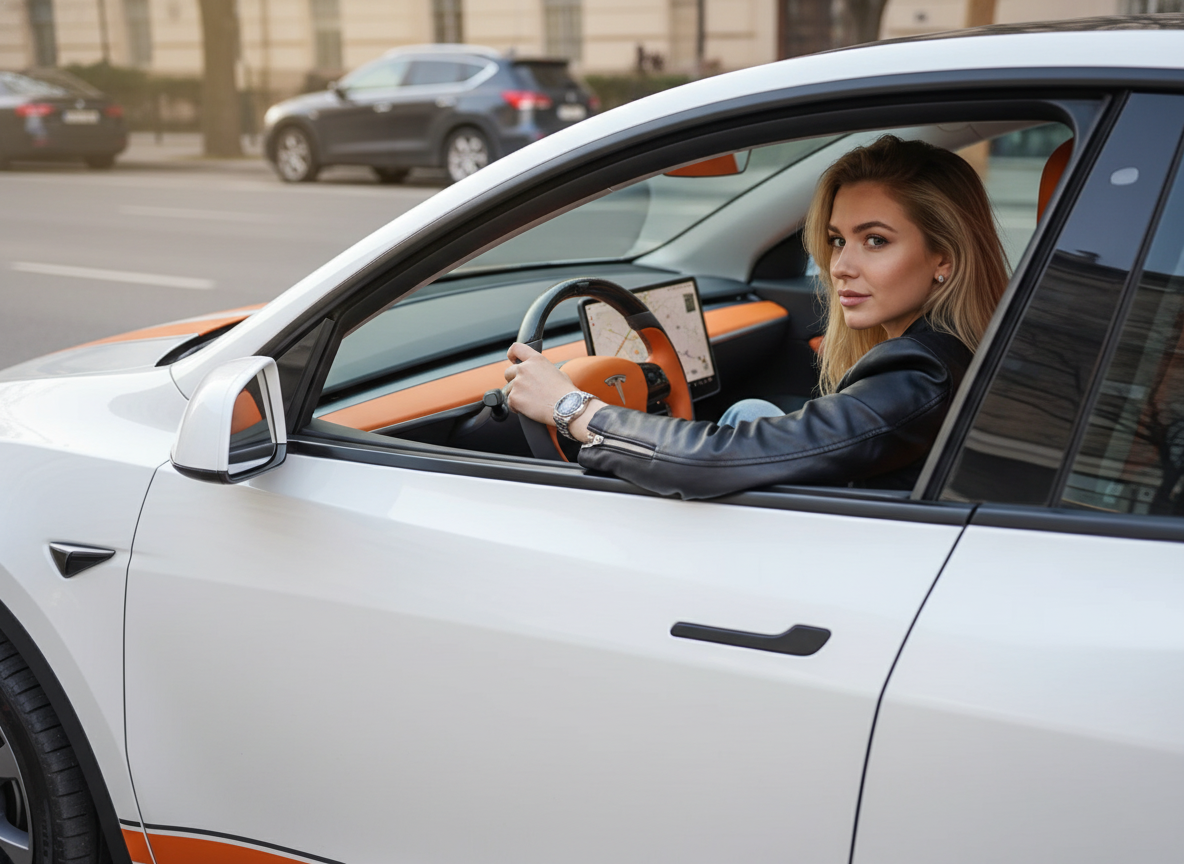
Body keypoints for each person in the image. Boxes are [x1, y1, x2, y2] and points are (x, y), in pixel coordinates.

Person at [503, 135, 1009, 499]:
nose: (840, 267)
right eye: (837, 240)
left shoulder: (921, 375)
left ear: (944, 257)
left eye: (875, 240)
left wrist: (572, 408)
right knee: (749, 413)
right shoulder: (963, 346)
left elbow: (708, 462)